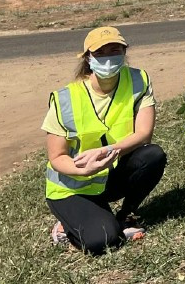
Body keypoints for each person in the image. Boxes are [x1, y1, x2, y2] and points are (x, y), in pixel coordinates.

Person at [43, 26, 167, 253]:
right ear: (88, 58)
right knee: (103, 241)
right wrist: (83, 170)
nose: (109, 58)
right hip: (73, 185)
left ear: (124, 53)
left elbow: (144, 134)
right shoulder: (65, 98)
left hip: (109, 173)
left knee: (153, 155)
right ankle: (66, 225)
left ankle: (126, 215)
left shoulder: (138, 80)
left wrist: (111, 150)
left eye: (115, 51)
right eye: (100, 53)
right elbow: (56, 157)